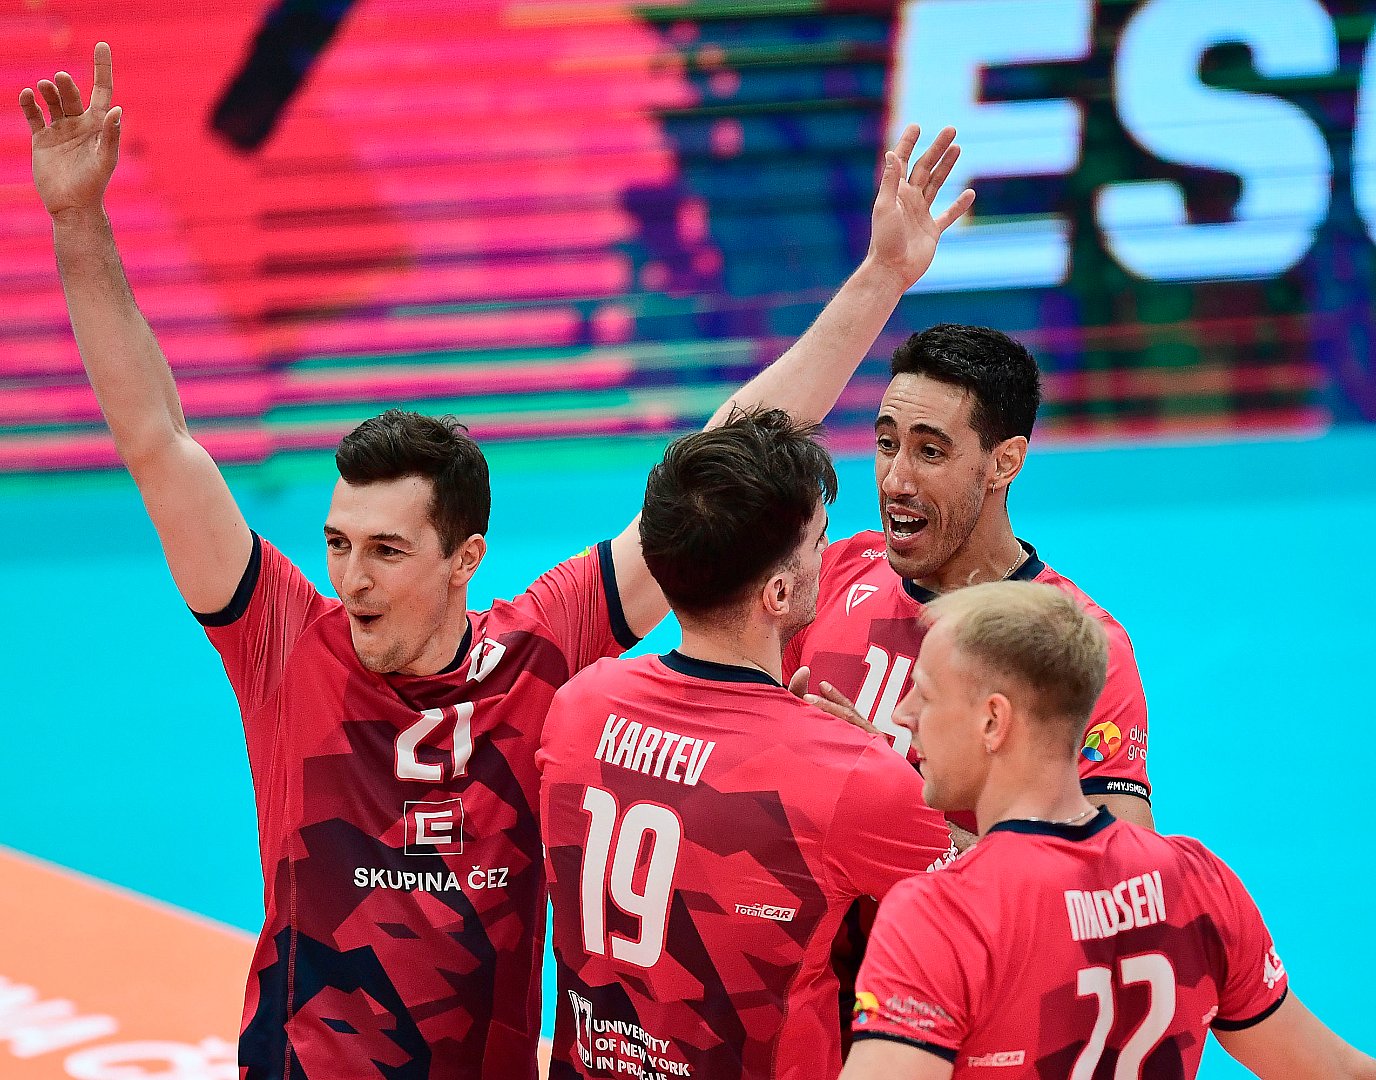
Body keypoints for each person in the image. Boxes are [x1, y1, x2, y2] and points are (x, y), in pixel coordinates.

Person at [18, 43, 973, 1080]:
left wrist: (881, 277)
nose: (351, 580)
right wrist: (78, 223)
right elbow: (159, 441)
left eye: (387, 551)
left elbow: (730, 463)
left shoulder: (540, 653)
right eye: (338, 545)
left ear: (464, 557)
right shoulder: (286, 645)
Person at [537, 409, 954, 1080]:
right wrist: (896, 765)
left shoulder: (578, 706)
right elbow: (1007, 910)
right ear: (779, 592)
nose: (831, 558)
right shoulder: (849, 773)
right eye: (819, 542)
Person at [840, 582, 1376, 1080]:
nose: (904, 714)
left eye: (926, 693)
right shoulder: (1196, 882)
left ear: (993, 720)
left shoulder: (941, 916)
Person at [787, 324, 1153, 830]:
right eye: (887, 443)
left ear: (1005, 462)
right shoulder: (832, 571)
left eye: (930, 452)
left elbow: (1109, 870)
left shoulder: (1077, 646)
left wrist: (895, 807)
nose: (896, 480)